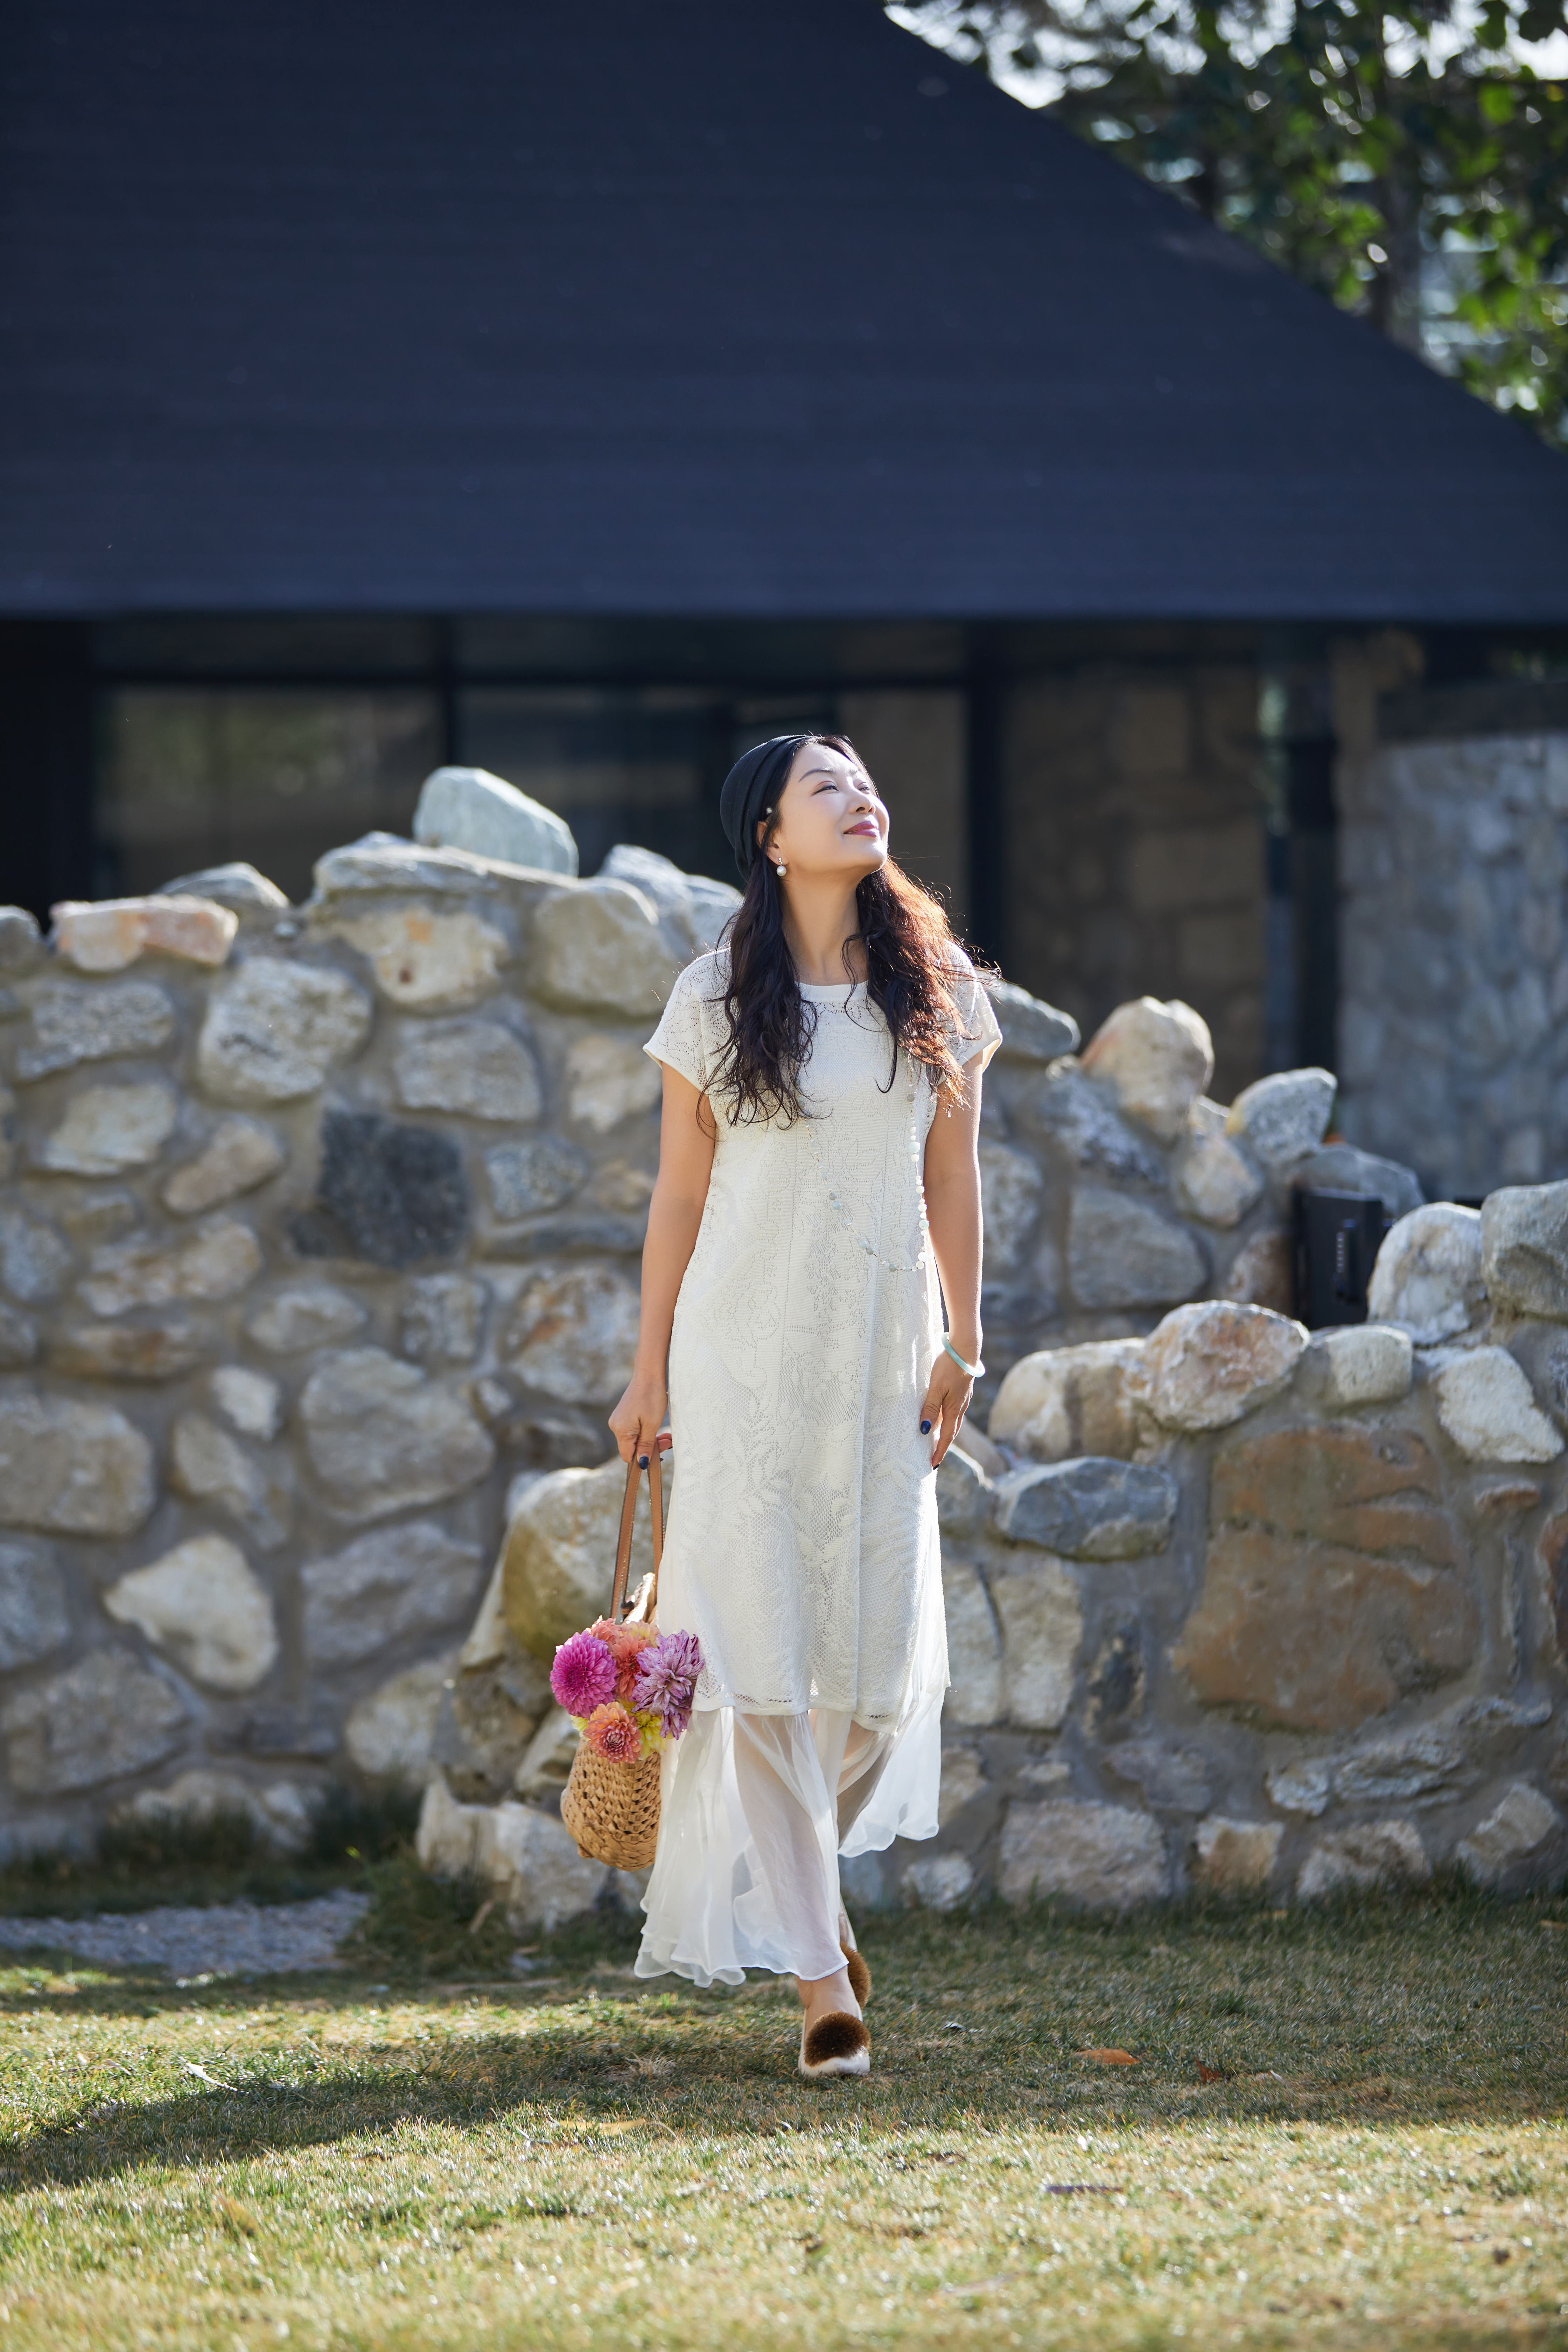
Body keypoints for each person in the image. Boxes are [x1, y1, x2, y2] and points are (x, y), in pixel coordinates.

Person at [608, 733, 999, 2079]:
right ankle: (823, 1983)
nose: (860, 796)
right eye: (825, 786)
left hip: (884, 1358)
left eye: (864, 779)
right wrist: (647, 1370)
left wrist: (967, 1340)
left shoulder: (938, 987)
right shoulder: (714, 997)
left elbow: (954, 1178)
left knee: (876, 1680)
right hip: (742, 1362)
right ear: (771, 839)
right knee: (762, 1660)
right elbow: (677, 1197)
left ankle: (799, 1895)